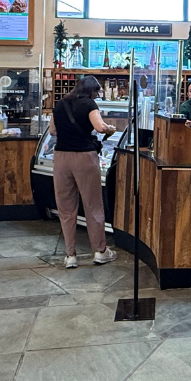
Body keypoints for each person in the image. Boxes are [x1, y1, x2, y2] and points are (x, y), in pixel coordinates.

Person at [48, 75, 117, 268]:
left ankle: (70, 255)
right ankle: (100, 251)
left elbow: (52, 131)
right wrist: (109, 128)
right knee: (92, 205)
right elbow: (99, 127)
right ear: (92, 91)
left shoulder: (60, 104)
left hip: (61, 157)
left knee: (66, 208)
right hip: (84, 157)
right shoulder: (89, 104)